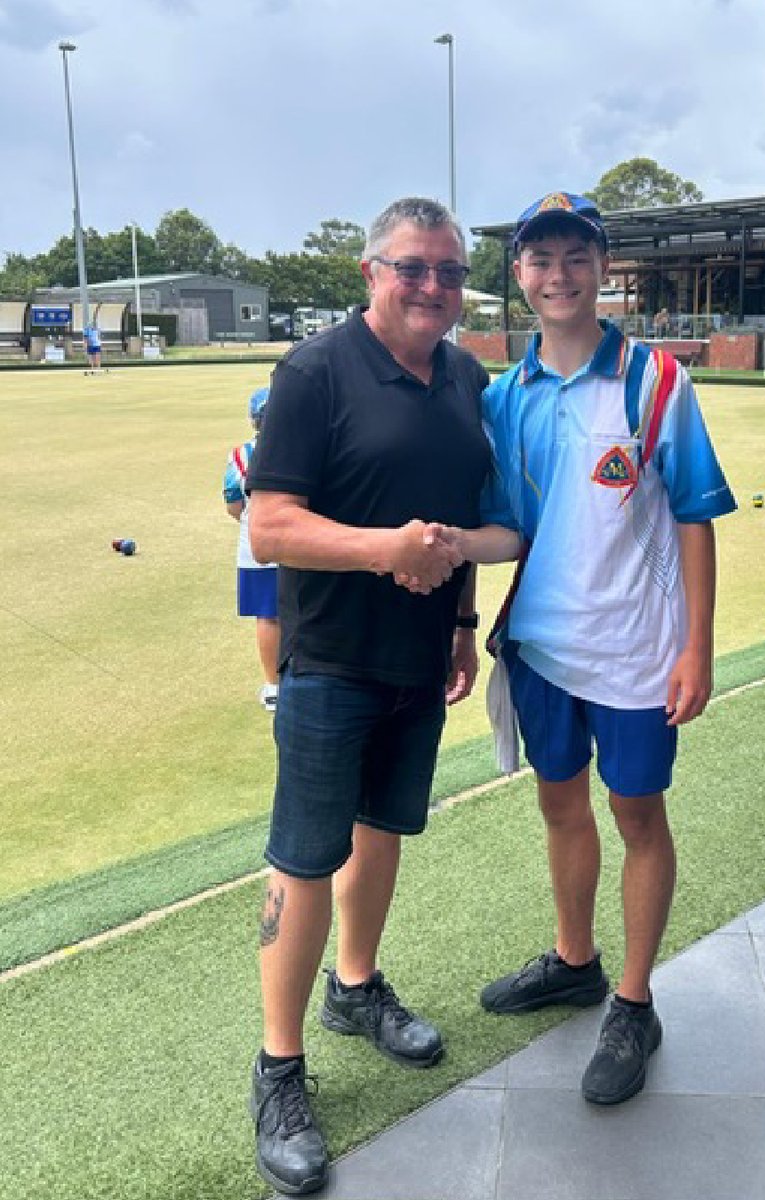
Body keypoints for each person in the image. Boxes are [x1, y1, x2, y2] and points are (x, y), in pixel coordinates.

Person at [449, 191, 737, 1108]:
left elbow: (695, 518)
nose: (558, 274)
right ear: (521, 276)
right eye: (541, 259)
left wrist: (698, 648)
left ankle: (634, 1001)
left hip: (639, 656)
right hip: (539, 649)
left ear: (602, 270)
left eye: (577, 256)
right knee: (560, 808)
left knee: (638, 818)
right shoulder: (504, 399)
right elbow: (503, 527)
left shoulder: (656, 381)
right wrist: (449, 554)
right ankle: (577, 961)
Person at [244, 196, 489, 1196]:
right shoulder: (312, 371)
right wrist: (382, 552)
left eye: (447, 270)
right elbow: (269, 526)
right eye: (412, 267)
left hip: (420, 661)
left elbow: (466, 518)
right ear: (370, 273)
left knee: (382, 831)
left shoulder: (467, 375)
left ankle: (356, 988)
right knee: (305, 859)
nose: (432, 286)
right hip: (331, 661)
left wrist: (465, 619)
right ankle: (278, 1064)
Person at [222, 386, 280, 711]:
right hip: (306, 545)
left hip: (258, 548)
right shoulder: (311, 448)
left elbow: (233, 503)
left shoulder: (241, 455)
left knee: (268, 616)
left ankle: (274, 686)